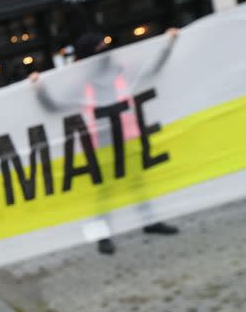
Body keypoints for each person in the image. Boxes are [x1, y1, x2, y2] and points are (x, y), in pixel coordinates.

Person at [30, 29, 180, 255]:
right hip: (104, 145)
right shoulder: (83, 84)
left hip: (128, 138)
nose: (105, 50)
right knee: (105, 191)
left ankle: (149, 221)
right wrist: (38, 87)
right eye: (100, 47)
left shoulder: (122, 72)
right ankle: (102, 236)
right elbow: (54, 106)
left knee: (137, 182)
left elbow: (151, 71)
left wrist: (169, 44)